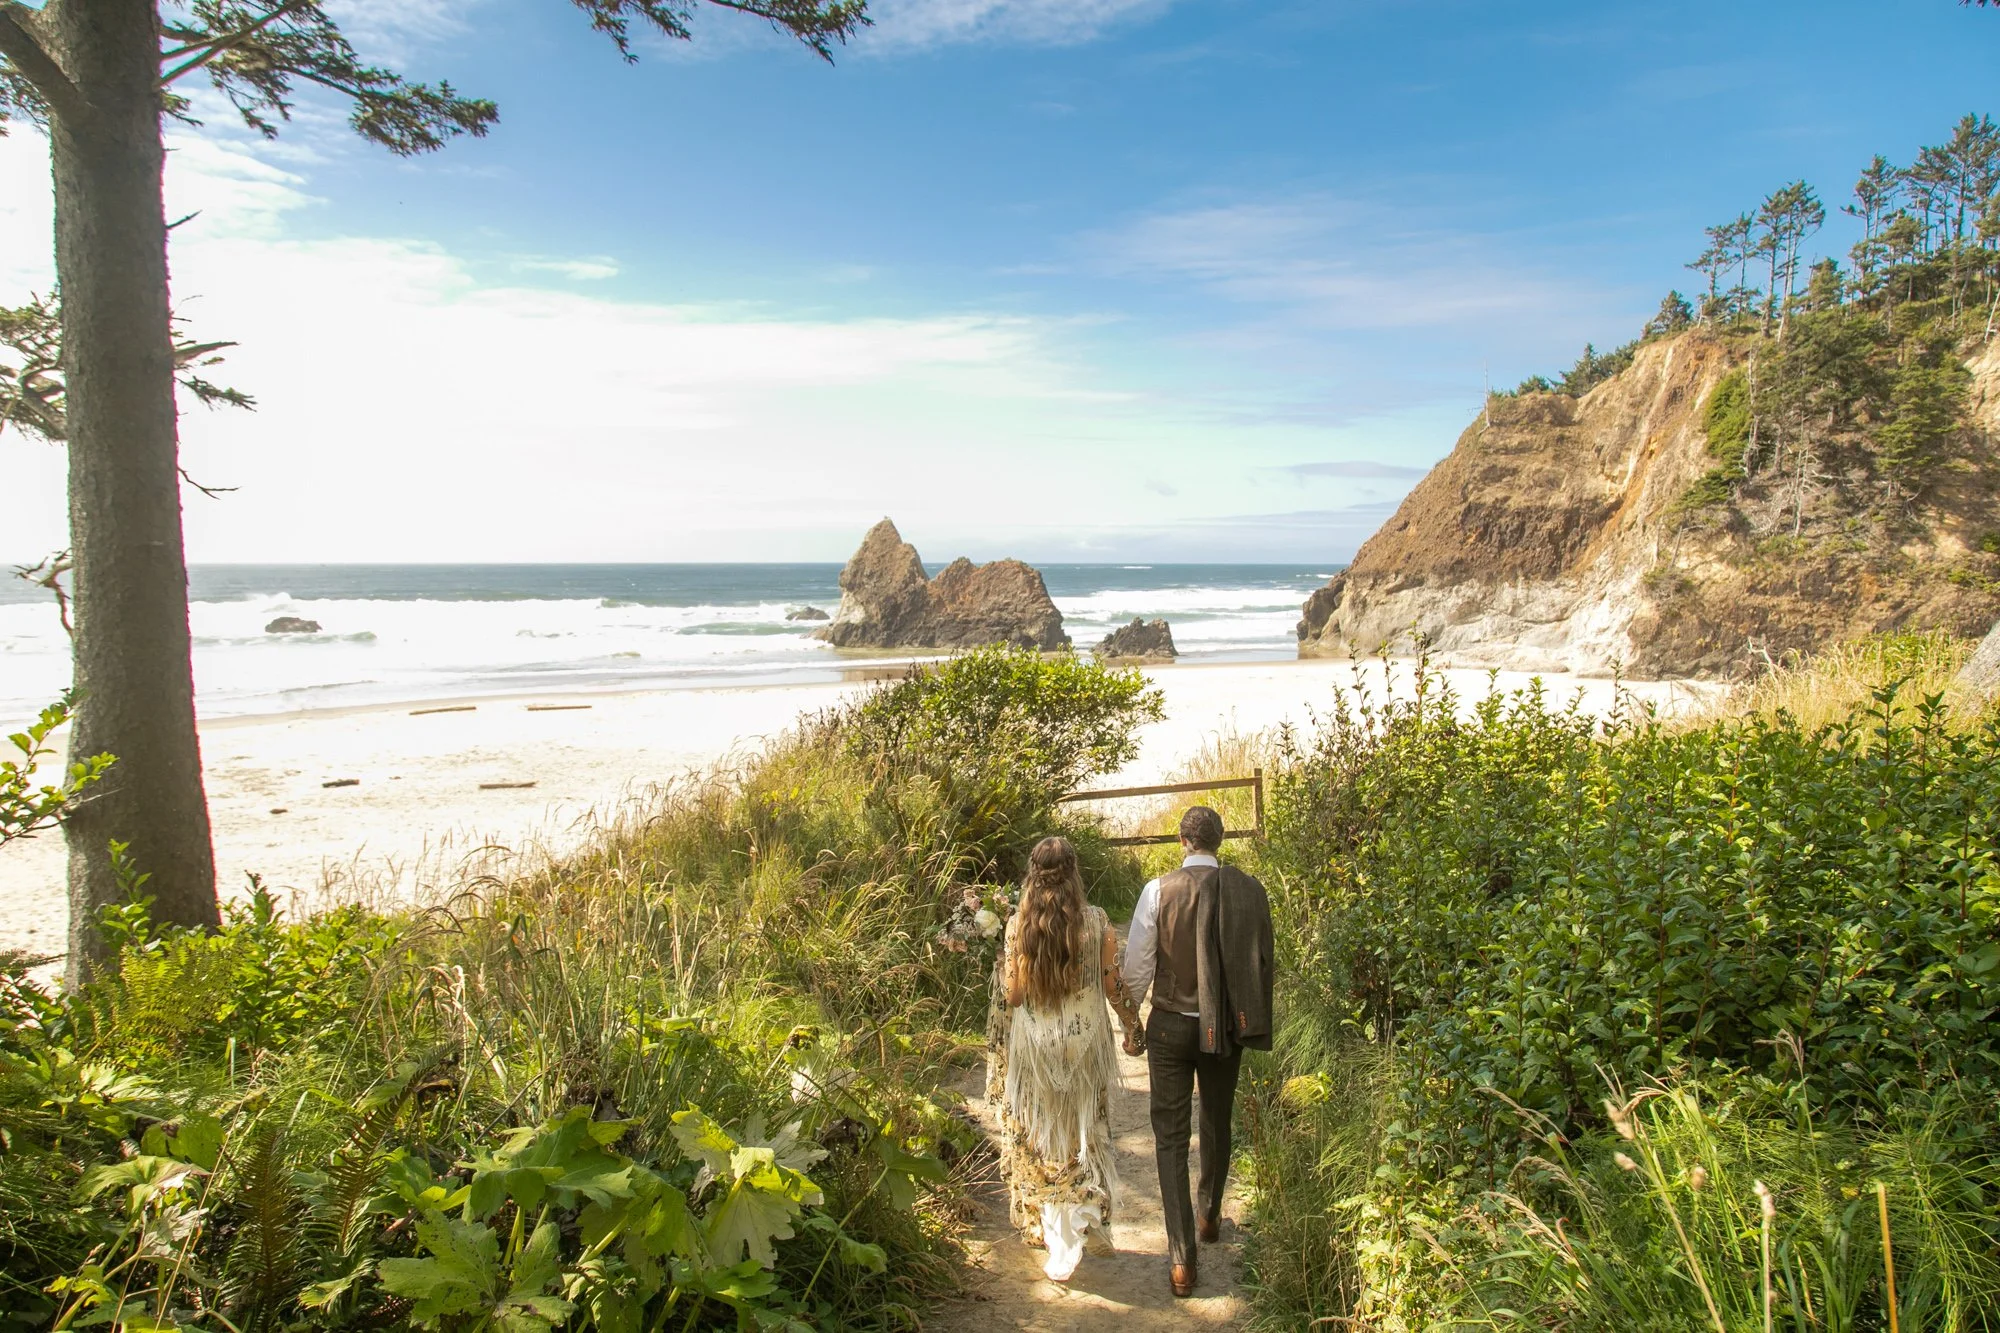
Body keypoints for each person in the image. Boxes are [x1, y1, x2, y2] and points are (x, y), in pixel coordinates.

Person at [1120, 805, 1274, 1298]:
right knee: (1216, 1119)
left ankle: (1182, 1259)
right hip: (1224, 1028)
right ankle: (1209, 1214)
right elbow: (1263, 959)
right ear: (1220, 842)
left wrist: (1131, 1020)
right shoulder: (1248, 891)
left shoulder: (1158, 891)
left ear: (1183, 842)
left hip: (1169, 1026)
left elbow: (1139, 965)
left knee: (1168, 1137)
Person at [987, 835, 1139, 1282]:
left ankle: (1051, 1226)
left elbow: (1014, 997)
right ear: (1074, 873)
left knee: (1037, 1138)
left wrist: (1002, 964)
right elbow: (1114, 988)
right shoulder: (1096, 923)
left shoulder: (1018, 926)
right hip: (1084, 1047)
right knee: (1083, 1134)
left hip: (1035, 1051)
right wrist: (1134, 1028)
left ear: (1032, 875)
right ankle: (1082, 1216)